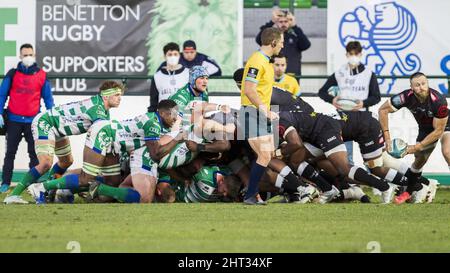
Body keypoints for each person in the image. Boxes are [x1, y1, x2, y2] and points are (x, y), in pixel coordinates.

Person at [3, 81, 123, 204]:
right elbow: (98, 137)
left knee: (67, 161)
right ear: (106, 96)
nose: (120, 98)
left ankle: (47, 191)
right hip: (46, 122)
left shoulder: (102, 109)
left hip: (57, 127)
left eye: (121, 95)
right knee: (45, 163)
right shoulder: (97, 109)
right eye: (117, 95)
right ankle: (14, 195)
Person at [378, 72, 449, 204]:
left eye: (423, 83)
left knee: (448, 152)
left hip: (444, 126)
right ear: (412, 88)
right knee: (419, 161)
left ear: (427, 84)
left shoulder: (439, 101)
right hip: (425, 128)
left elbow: (438, 131)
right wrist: (387, 137)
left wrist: (416, 147)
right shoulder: (405, 97)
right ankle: (408, 193)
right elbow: (383, 110)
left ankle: (411, 190)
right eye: (417, 85)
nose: (421, 87)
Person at [0, 43, 54, 193]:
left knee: (34, 154)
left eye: (30, 54)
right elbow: (2, 94)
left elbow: (48, 98)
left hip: (33, 122)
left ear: (34, 55)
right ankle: (5, 183)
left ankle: (33, 185)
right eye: (25, 55)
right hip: (13, 121)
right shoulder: (12, 74)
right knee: (10, 153)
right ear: (20, 56)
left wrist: (53, 117)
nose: (28, 57)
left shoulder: (42, 75)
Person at [239, 27, 284, 205]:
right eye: (281, 42)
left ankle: (253, 193)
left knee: (266, 154)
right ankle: (250, 194)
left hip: (259, 113)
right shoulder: (257, 61)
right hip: (251, 112)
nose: (282, 45)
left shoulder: (265, 61)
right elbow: (249, 89)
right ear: (273, 42)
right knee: (265, 155)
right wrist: (264, 109)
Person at [318, 41, 381, 165]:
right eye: (351, 53)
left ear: (360, 54)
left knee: (370, 157)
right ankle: (351, 183)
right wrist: (332, 100)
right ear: (346, 54)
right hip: (344, 118)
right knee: (347, 156)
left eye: (356, 53)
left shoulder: (369, 74)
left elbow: (376, 97)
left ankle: (373, 180)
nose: (353, 56)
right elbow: (322, 92)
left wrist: (363, 103)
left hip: (363, 117)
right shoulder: (340, 73)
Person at [256, 9, 310, 75]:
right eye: (281, 22)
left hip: (292, 74)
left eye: (286, 21)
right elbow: (259, 39)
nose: (283, 24)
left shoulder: (295, 36)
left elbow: (306, 45)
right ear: (276, 22)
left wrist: (295, 26)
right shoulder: (271, 37)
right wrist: (271, 22)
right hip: (273, 74)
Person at [148, 42, 189, 112]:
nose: (173, 57)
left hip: (183, 115)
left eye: (175, 54)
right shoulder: (157, 76)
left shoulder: (188, 73)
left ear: (179, 55)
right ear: (165, 56)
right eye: (170, 54)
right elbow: (153, 102)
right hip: (164, 116)